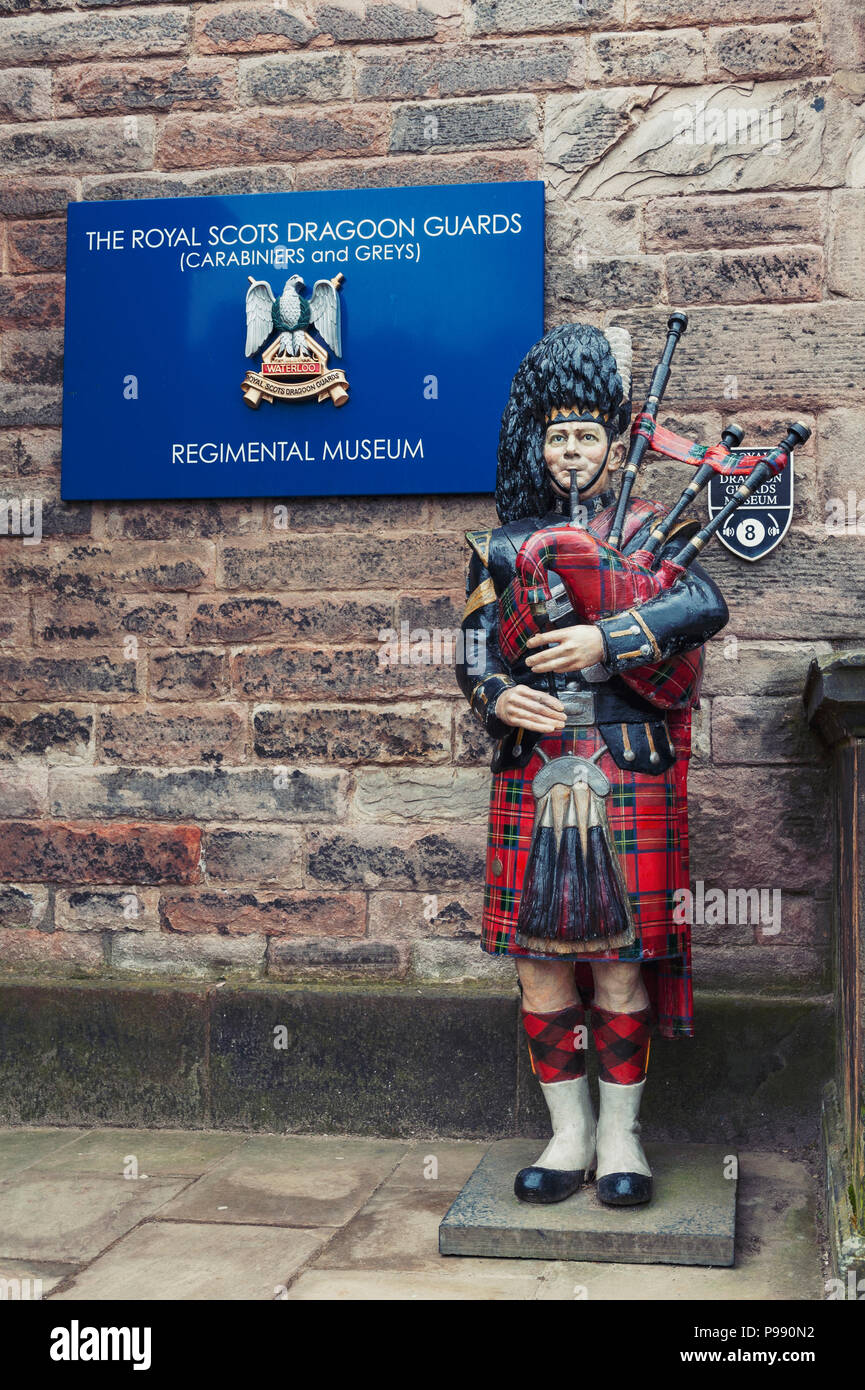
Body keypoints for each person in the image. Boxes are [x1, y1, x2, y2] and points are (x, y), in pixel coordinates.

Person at [456, 322, 728, 1207]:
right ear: (538, 446)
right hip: (534, 772)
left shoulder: (655, 534)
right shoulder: (502, 546)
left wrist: (604, 637)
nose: (571, 451)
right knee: (539, 965)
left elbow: (704, 603)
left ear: (615, 450)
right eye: (557, 436)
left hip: (626, 761)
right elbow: (472, 652)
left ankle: (622, 1139)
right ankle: (565, 1135)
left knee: (618, 966)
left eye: (587, 437)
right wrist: (496, 696)